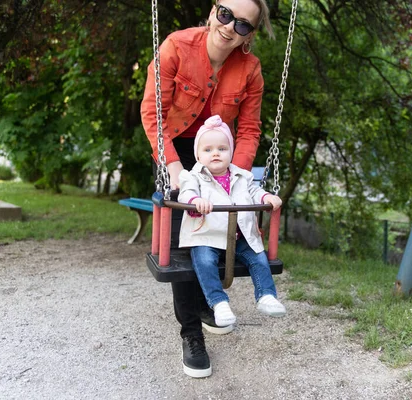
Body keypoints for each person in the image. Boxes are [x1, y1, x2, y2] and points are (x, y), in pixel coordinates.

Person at [140, 0, 275, 379]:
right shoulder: (176, 47)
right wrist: (173, 167)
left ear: (249, 36)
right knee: (184, 239)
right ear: (214, 9)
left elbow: (248, 130)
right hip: (177, 147)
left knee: (222, 224)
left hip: (221, 154)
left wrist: (239, 178)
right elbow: (153, 113)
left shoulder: (250, 70)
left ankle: (205, 302)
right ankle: (191, 333)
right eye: (225, 13)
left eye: (244, 25)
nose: (230, 26)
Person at [178, 115, 286, 328]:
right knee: (204, 261)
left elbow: (254, 190)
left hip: (239, 234)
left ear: (231, 151)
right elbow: (185, 194)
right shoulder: (192, 177)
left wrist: (266, 197)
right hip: (206, 235)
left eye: (222, 148)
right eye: (207, 150)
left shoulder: (242, 176)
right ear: (198, 155)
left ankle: (266, 296)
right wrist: (195, 200)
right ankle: (219, 303)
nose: (215, 153)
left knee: (258, 257)